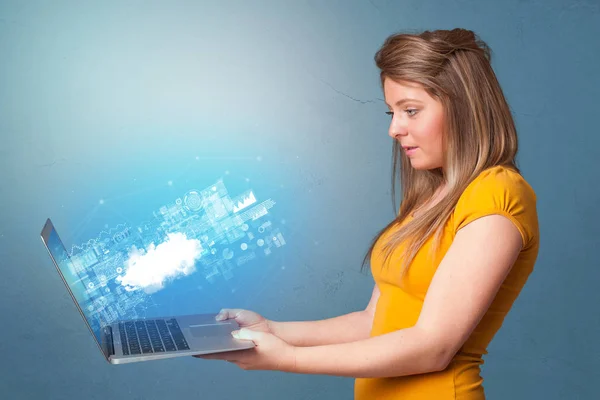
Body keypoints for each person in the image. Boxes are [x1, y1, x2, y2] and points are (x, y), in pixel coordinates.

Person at [196, 28, 540, 400]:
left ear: (463, 107)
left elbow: (433, 346)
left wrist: (289, 358)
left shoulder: (498, 192)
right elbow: (373, 322)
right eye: (392, 112)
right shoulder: (433, 198)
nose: (394, 128)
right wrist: (273, 330)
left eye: (411, 110)